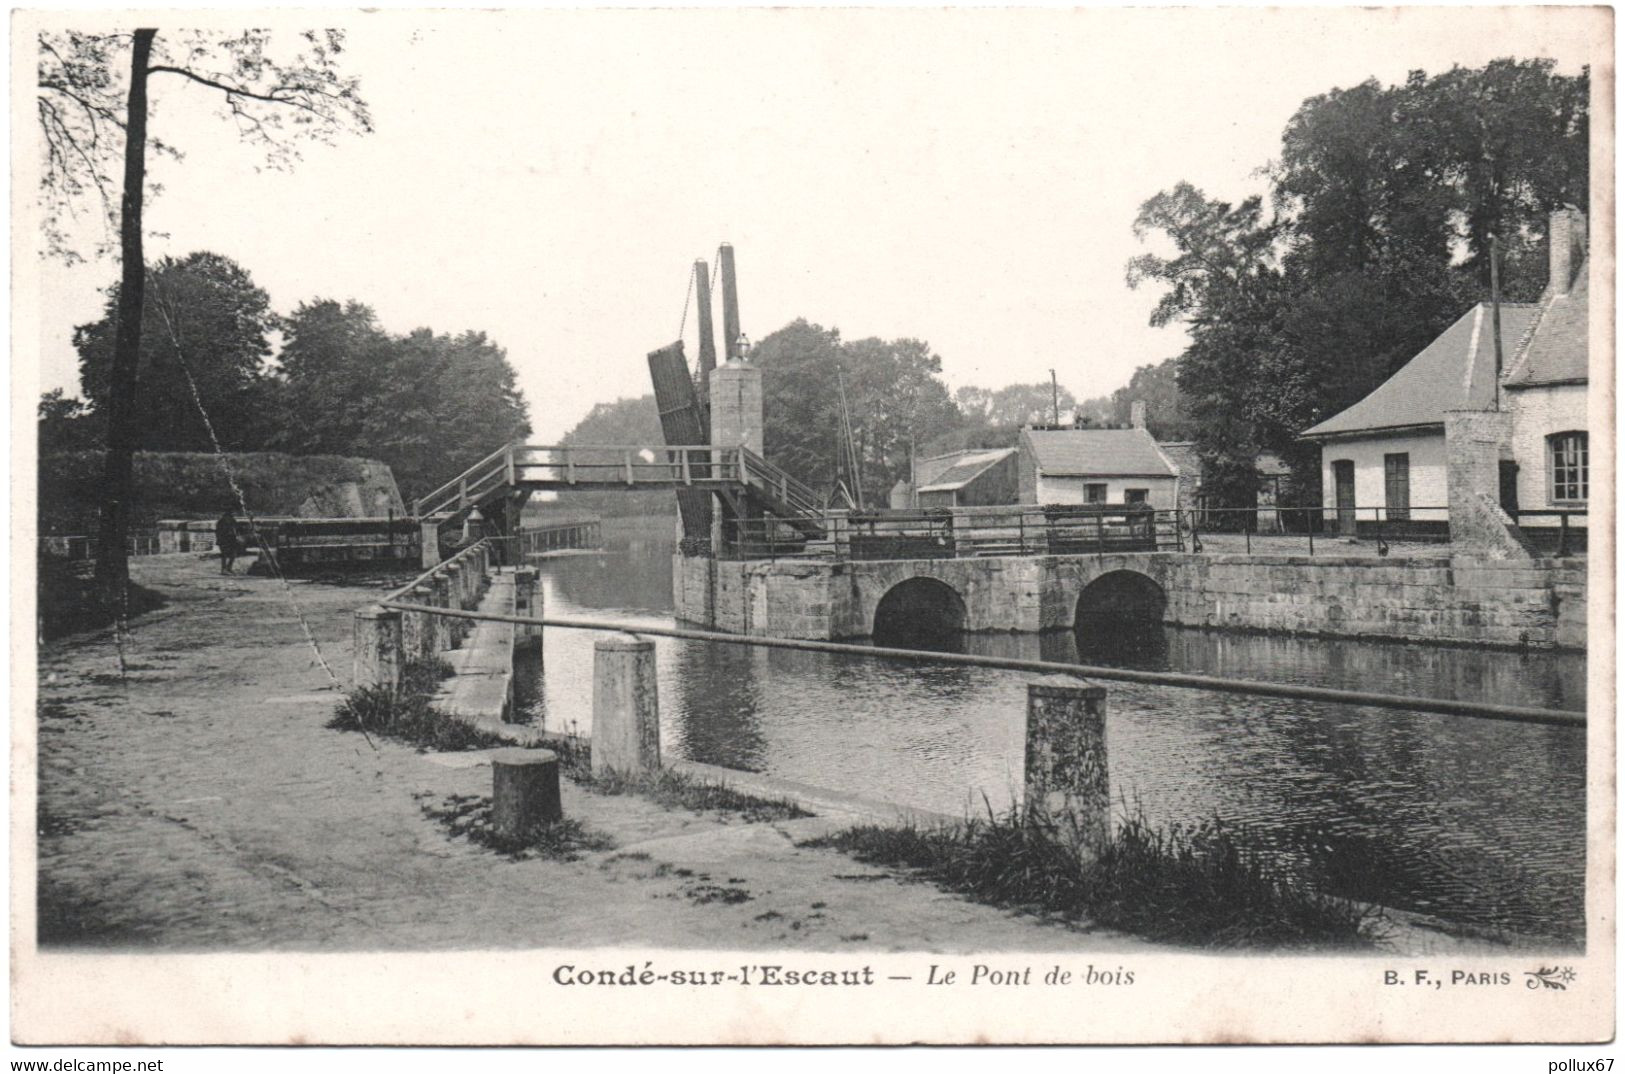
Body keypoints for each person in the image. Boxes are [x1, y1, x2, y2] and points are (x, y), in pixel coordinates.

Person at [215, 510, 243, 574]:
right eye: (232, 513)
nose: (234, 514)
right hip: (224, 540)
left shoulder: (232, 520)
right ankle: (224, 569)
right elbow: (219, 532)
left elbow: (237, 528)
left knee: (233, 554)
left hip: (231, 540)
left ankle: (229, 568)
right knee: (224, 555)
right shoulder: (222, 521)